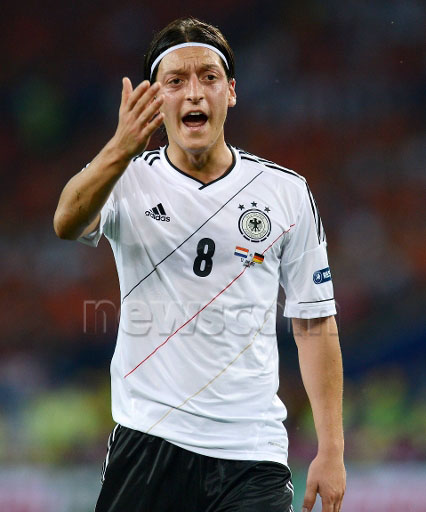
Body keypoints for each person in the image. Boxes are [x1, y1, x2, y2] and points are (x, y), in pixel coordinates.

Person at [54, 16, 345, 512]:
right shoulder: (125, 178)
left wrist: (332, 448)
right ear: (155, 99)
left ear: (230, 92)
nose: (194, 93)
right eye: (176, 81)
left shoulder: (285, 193)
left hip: (252, 453)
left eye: (208, 77)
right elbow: (66, 221)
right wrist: (120, 147)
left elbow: (314, 321)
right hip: (148, 440)